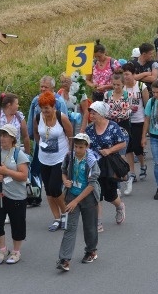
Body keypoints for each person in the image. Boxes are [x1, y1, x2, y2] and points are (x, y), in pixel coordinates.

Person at [0, 124, 30, 265]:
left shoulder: (18, 154)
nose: (2, 138)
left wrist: (7, 172)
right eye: (0, 135)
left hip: (16, 196)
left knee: (17, 223)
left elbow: (23, 175)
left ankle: (16, 251)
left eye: (5, 135)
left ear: (12, 138)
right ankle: (2, 249)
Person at [56, 133, 101, 272]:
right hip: (71, 196)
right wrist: (65, 181)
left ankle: (91, 251)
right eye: (76, 146)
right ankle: (64, 259)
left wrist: (76, 201)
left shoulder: (92, 161)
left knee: (90, 227)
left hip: (88, 198)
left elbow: (92, 185)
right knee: (70, 228)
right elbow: (63, 171)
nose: (77, 149)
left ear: (87, 147)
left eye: (81, 147)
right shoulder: (69, 157)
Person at [33, 91, 75, 232]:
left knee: (55, 187)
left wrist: (70, 155)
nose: (44, 111)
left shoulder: (61, 117)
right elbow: (36, 135)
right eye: (42, 108)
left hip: (60, 157)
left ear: (53, 106)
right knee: (49, 191)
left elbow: (70, 136)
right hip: (44, 158)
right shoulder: (38, 118)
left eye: (47, 108)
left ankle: (65, 213)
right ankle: (57, 218)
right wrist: (41, 145)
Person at [85, 101, 127, 231]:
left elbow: (122, 143)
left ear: (102, 114)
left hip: (109, 164)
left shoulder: (113, 126)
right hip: (94, 165)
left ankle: (119, 206)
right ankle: (98, 222)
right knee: (96, 193)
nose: (91, 115)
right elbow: (86, 146)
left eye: (94, 112)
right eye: (90, 112)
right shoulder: (89, 129)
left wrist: (109, 150)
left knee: (110, 195)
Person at [121, 63, 149, 191]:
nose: (125, 77)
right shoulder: (122, 88)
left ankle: (143, 164)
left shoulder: (141, 86)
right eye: (123, 74)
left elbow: (147, 104)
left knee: (138, 147)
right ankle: (132, 172)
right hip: (126, 120)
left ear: (133, 74)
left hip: (139, 120)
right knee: (128, 147)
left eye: (127, 74)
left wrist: (148, 122)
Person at [104, 72, 132, 193]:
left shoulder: (127, 95)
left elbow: (127, 113)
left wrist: (112, 114)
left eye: (118, 85)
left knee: (121, 155)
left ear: (123, 84)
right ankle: (117, 186)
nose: (116, 87)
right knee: (112, 157)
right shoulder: (107, 94)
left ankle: (127, 178)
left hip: (123, 129)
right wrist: (114, 115)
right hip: (110, 129)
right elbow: (104, 111)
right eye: (114, 84)